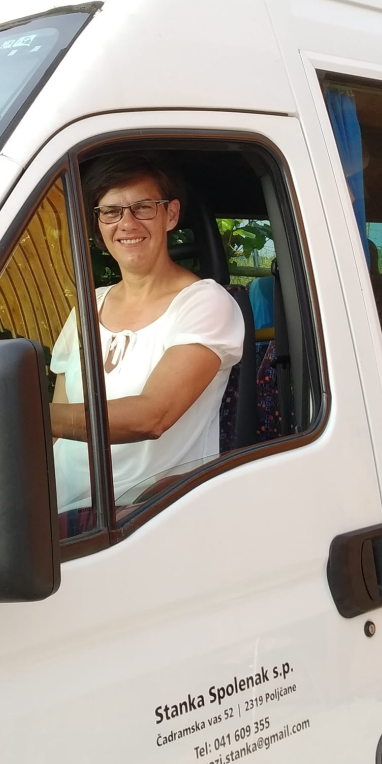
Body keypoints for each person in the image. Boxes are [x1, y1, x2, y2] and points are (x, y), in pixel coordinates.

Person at [50, 155, 245, 509]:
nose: (127, 223)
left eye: (142, 207)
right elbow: (58, 426)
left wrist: (26, 416)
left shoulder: (205, 303)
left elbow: (152, 416)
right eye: (111, 212)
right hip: (53, 509)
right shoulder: (87, 307)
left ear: (171, 214)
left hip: (139, 514)